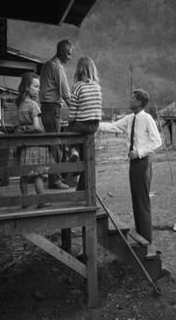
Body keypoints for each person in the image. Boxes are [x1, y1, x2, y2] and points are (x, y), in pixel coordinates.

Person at [98, 89, 161, 244]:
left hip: (143, 162)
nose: (129, 100)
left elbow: (157, 141)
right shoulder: (129, 118)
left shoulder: (147, 119)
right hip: (133, 164)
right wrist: (95, 124)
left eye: (132, 99)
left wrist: (139, 152)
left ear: (139, 102)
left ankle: (146, 238)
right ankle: (141, 235)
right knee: (136, 198)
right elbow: (113, 127)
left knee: (142, 200)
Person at [39, 39, 73, 190]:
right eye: (68, 54)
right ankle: (55, 180)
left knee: (51, 144)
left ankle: (53, 176)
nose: (70, 57)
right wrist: (77, 110)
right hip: (53, 108)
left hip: (45, 108)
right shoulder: (57, 67)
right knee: (55, 145)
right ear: (61, 52)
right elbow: (66, 94)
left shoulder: (46, 65)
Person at [65, 56, 102, 190]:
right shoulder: (97, 87)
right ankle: (81, 189)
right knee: (88, 159)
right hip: (94, 125)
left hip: (81, 124)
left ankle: (73, 151)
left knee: (66, 132)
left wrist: (70, 121)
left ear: (79, 71)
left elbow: (73, 109)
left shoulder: (78, 86)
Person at [16, 72, 51, 209]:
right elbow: (36, 126)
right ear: (26, 87)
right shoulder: (34, 105)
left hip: (24, 145)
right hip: (36, 145)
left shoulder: (20, 104)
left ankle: (25, 201)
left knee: (24, 175)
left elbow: (19, 125)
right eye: (36, 86)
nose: (38, 89)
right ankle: (41, 201)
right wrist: (41, 132)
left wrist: (23, 129)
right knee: (38, 174)